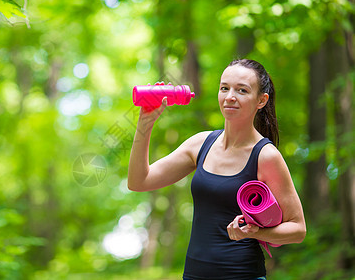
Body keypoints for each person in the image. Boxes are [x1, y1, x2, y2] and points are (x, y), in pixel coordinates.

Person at [127, 59, 306, 280]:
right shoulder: (200, 144)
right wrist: (145, 123)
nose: (230, 96)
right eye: (224, 88)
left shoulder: (265, 156)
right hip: (193, 274)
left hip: (242, 275)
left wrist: (256, 232)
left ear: (261, 100)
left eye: (242, 90)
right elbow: (138, 182)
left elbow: (298, 230)